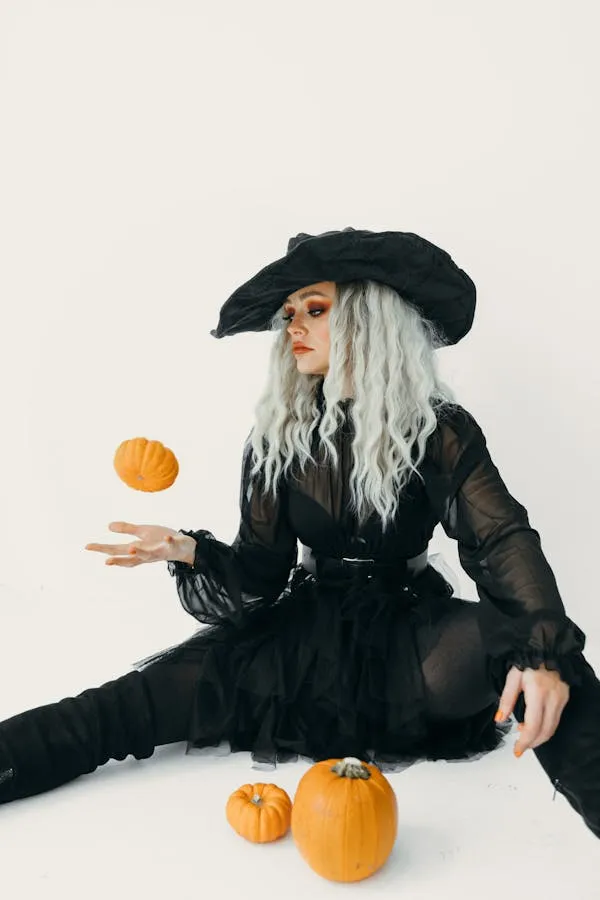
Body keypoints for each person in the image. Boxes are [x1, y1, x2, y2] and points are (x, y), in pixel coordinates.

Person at [0, 227, 598, 841]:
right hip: (299, 649)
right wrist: (191, 551)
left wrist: (542, 651)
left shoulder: (438, 431)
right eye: (290, 314)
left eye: (315, 309)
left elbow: (499, 539)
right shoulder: (277, 438)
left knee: (546, 660)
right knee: (126, 706)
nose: (293, 327)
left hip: (419, 654)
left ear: (369, 319)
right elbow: (260, 573)